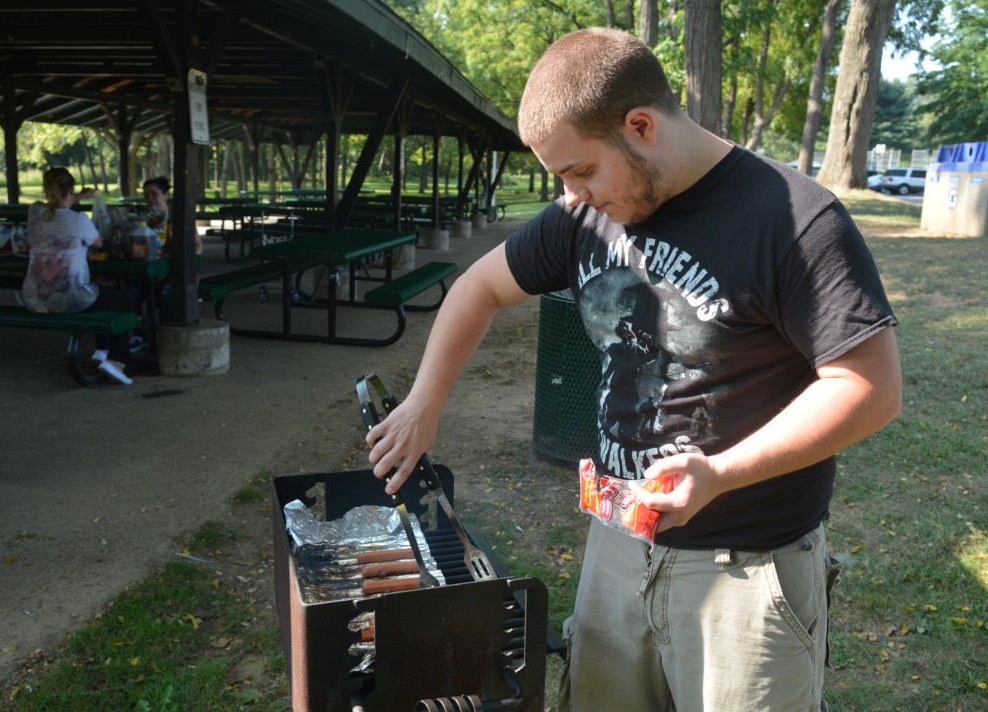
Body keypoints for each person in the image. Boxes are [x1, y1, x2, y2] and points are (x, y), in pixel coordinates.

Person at [365, 28, 902, 711]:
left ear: (641, 127)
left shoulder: (794, 219)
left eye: (581, 170)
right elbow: (478, 288)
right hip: (618, 546)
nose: (570, 195)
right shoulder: (583, 218)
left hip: (749, 568)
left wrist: (720, 474)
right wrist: (423, 402)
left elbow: (870, 387)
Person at [23, 168, 134, 385]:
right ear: (71, 190)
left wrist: (78, 196)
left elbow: (55, 209)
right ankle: (115, 361)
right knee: (122, 301)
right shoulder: (79, 219)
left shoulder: (35, 211)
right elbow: (99, 242)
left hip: (34, 297)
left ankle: (101, 351)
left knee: (101, 298)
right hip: (69, 296)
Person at [127, 176, 203, 349]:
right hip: (150, 270)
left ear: (166, 195)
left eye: (154, 194)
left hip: (176, 271)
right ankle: (139, 334)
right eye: (146, 195)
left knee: (166, 294)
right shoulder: (144, 221)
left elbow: (198, 246)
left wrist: (191, 265)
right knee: (131, 292)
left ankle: (167, 339)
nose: (150, 199)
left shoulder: (179, 218)